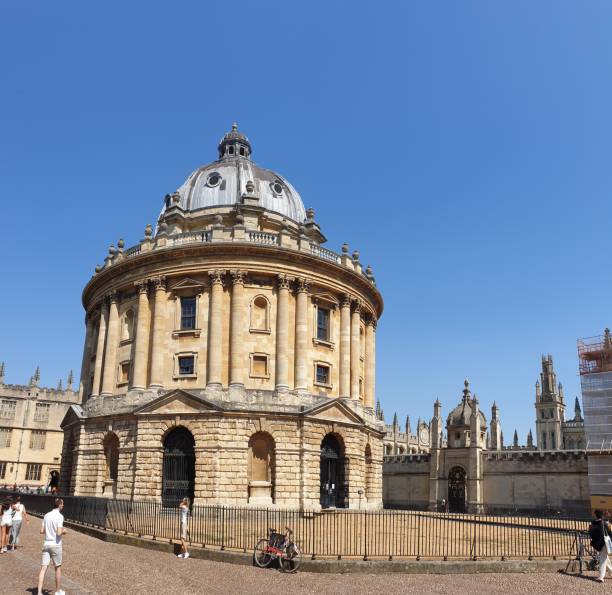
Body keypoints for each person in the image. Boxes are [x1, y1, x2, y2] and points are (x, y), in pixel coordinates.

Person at [37, 498, 66, 595]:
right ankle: (58, 591)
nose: (63, 506)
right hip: (56, 545)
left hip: (46, 544)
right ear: (59, 505)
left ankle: (39, 592)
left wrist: (49, 530)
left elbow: (41, 531)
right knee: (57, 568)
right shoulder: (60, 516)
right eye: (62, 504)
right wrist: (64, 531)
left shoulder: (46, 515)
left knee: (43, 568)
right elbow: (58, 533)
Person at [589, 509, 612, 582]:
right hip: (604, 543)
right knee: (605, 559)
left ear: (596, 515)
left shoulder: (593, 523)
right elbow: (610, 533)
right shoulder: (604, 523)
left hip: (598, 544)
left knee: (603, 559)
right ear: (602, 515)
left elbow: (590, 533)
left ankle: (601, 577)